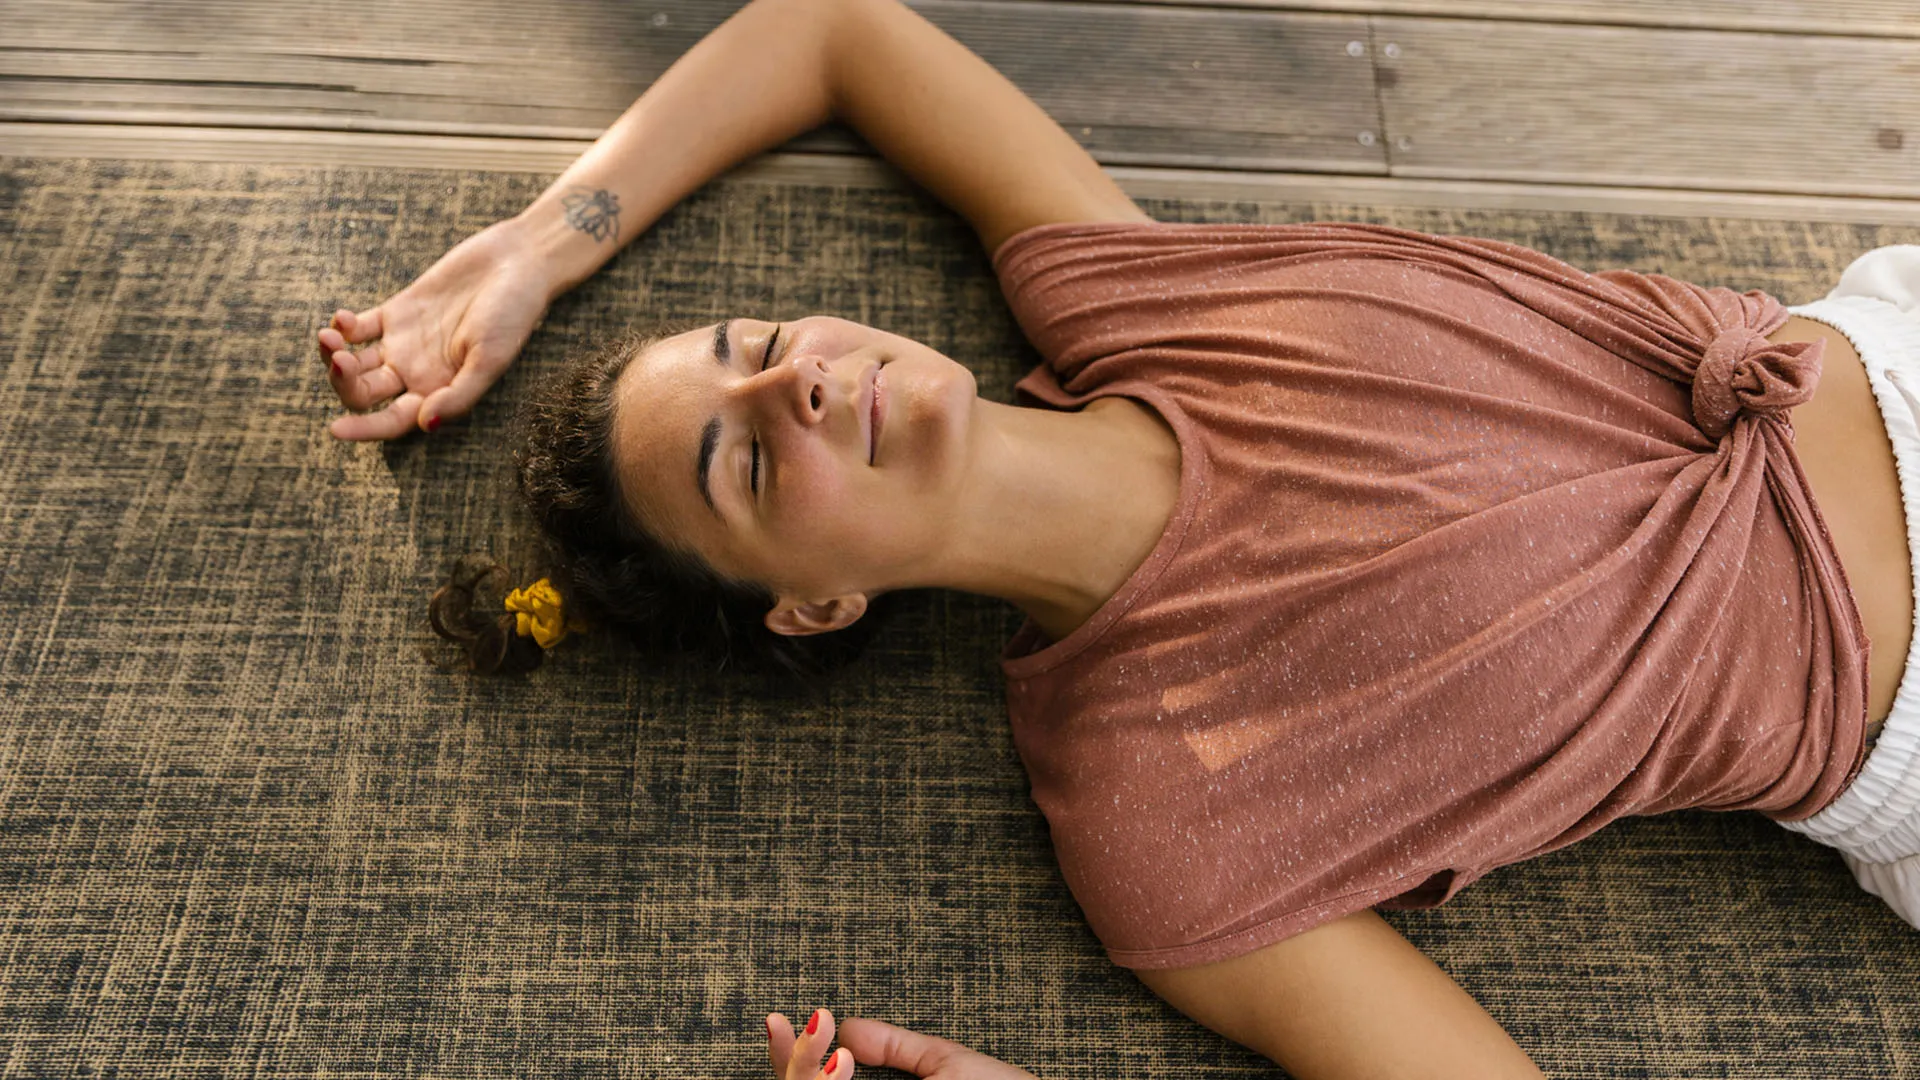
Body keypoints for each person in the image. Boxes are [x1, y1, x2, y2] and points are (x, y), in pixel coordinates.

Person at [315, 0, 1920, 1075]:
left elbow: (830, 29)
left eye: (754, 341)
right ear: (815, 602)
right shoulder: (1163, 810)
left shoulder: (1130, 298)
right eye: (744, 458)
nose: (799, 377)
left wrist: (542, 243)